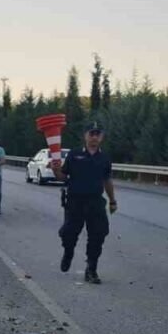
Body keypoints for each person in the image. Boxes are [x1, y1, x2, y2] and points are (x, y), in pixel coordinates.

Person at [51, 121, 117, 284]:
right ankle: (68, 252)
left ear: (101, 137)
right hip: (75, 201)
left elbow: (107, 180)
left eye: (97, 134)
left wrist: (112, 201)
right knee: (68, 234)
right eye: (91, 133)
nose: (94, 137)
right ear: (85, 136)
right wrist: (55, 169)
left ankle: (91, 269)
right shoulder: (74, 155)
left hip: (95, 202)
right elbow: (62, 177)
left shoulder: (104, 158)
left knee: (98, 235)